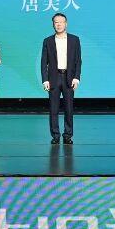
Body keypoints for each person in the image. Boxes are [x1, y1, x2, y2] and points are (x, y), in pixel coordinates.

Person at [40, 12, 81, 144]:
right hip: (54, 77)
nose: (58, 24)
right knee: (53, 109)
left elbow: (78, 61)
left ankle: (68, 135)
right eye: (56, 22)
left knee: (69, 108)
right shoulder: (48, 41)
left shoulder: (74, 40)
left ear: (66, 24)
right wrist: (45, 79)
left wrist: (76, 77)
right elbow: (44, 62)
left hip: (69, 77)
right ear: (53, 25)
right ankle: (55, 135)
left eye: (61, 22)